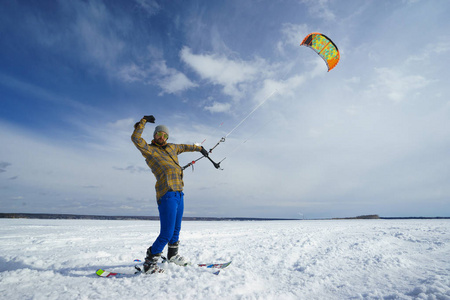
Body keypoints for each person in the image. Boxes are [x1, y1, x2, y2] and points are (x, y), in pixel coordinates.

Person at [131, 115, 209, 274]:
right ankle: (149, 262)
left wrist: (200, 148)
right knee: (166, 233)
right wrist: (143, 122)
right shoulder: (150, 150)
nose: (162, 137)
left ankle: (172, 255)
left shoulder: (173, 147)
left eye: (165, 135)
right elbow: (136, 138)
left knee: (176, 229)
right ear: (154, 136)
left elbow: (186, 147)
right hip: (166, 193)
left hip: (179, 193)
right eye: (159, 134)